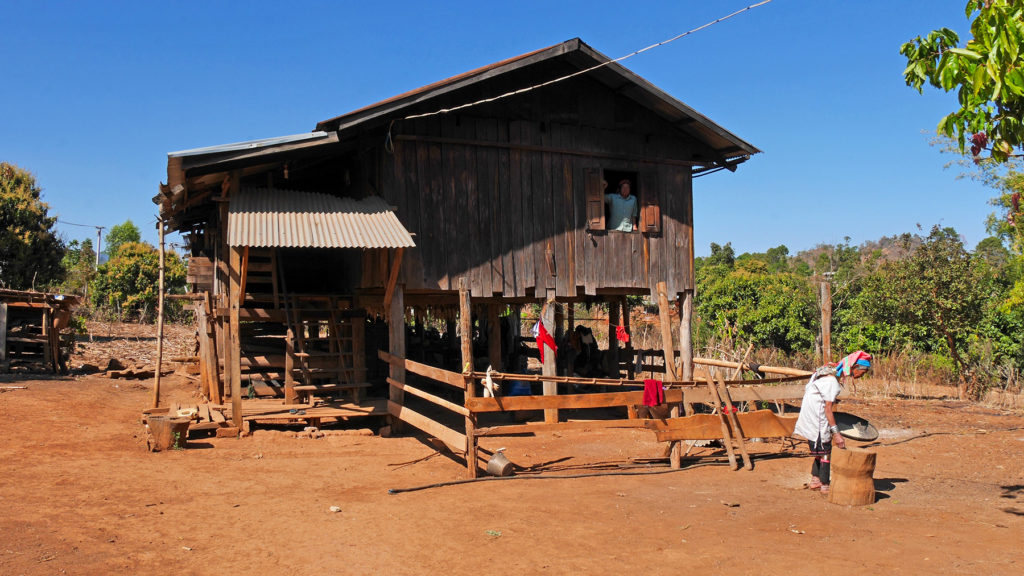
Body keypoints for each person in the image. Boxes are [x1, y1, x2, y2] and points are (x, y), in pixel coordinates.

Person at [793, 350, 872, 494]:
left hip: (810, 415)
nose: (862, 375)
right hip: (816, 418)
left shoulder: (826, 375)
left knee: (819, 451)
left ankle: (815, 480)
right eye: (863, 372)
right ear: (854, 368)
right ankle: (825, 484)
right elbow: (828, 409)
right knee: (825, 452)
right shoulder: (831, 382)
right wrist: (837, 434)